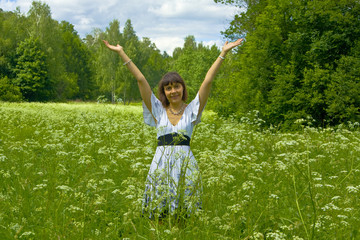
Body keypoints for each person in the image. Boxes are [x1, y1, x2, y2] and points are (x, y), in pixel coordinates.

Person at [103, 38, 243, 219]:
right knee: (159, 214)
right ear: (164, 92)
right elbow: (140, 79)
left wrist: (223, 53)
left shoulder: (192, 110)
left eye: (177, 86)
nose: (173, 91)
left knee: (184, 214)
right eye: (168, 88)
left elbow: (208, 81)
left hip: (186, 166)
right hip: (160, 166)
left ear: (183, 89)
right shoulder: (158, 111)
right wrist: (121, 52)